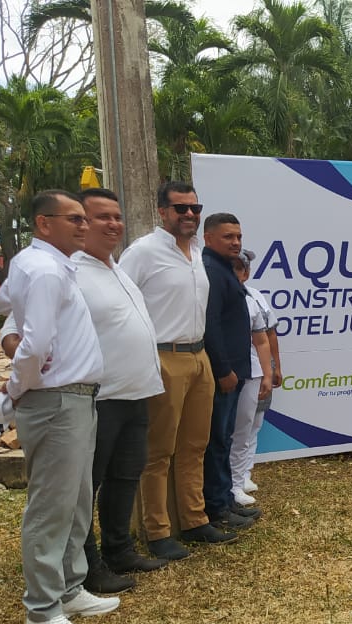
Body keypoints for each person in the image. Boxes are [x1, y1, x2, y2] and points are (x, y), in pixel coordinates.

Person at [1, 189, 171, 594]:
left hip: (136, 392)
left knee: (124, 476)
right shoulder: (62, 270)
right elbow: (15, 327)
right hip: (96, 396)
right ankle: (86, 564)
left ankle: (118, 548)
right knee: (83, 488)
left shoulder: (118, 269)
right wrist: (28, 367)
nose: (111, 224)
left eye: (117, 215)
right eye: (96, 217)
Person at [0, 189, 118, 624]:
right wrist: (16, 387)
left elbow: (13, 319)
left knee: (75, 500)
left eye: (84, 219)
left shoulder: (50, 266)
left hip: (76, 397)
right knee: (51, 507)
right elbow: (34, 344)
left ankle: (69, 588)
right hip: (56, 400)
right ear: (43, 223)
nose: (84, 226)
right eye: (74, 219)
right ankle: (42, 611)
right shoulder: (45, 269)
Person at [119, 182, 233, 560]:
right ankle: (157, 531)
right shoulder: (143, 253)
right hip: (163, 357)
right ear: (162, 212)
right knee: (158, 451)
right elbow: (121, 304)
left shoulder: (197, 253)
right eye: (180, 208)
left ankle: (195, 520)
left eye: (194, 208)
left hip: (199, 356)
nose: (189, 215)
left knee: (194, 446)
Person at [200, 213, 261, 528]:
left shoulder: (224, 270)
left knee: (223, 438)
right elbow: (210, 326)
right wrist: (223, 369)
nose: (236, 242)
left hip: (235, 372)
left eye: (238, 236)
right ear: (208, 238)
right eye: (228, 237)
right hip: (222, 374)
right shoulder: (211, 271)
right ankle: (216, 507)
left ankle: (224, 500)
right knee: (217, 441)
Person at [228, 249, 275, 506]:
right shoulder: (213, 295)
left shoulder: (253, 299)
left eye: (239, 269)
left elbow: (263, 338)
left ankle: (237, 484)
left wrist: (268, 372)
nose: (235, 273)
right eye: (231, 267)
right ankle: (224, 485)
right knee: (224, 433)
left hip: (253, 372)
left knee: (245, 429)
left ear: (246, 273)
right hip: (224, 374)